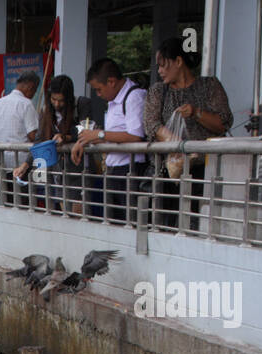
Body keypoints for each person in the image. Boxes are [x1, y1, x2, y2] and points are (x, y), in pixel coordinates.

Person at [144, 37, 232, 231]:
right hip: (169, 171)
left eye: (163, 65)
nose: (160, 71)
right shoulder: (159, 91)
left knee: (200, 224)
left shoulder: (209, 86)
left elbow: (222, 123)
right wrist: (180, 147)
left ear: (178, 61)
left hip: (204, 171)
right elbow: (152, 125)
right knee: (166, 224)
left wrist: (196, 112)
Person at [71, 58, 148, 224]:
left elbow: (135, 135)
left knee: (129, 223)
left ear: (111, 82)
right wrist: (85, 139)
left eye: (99, 89)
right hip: (114, 169)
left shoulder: (134, 97)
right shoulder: (114, 101)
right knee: (112, 223)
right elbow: (112, 133)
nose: (98, 94)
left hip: (129, 170)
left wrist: (99, 135)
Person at [11, 75, 83, 213]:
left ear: (68, 98)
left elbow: (86, 128)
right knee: (61, 213)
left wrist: (66, 137)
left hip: (78, 172)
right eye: (53, 99)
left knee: (77, 215)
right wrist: (25, 165)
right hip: (56, 173)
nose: (56, 104)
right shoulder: (46, 111)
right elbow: (39, 140)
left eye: (61, 101)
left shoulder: (80, 104)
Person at [0, 71, 41, 171]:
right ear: (31, 87)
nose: (33, 95)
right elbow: (33, 136)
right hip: (20, 166)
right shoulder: (26, 104)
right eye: (34, 91)